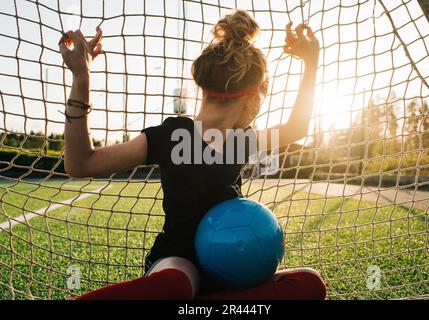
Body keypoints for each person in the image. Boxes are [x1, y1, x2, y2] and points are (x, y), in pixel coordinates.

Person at [59, 9, 326, 300]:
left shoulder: (244, 139)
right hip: (178, 262)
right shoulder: (170, 136)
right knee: (177, 283)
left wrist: (311, 64)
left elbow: (297, 127)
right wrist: (81, 78)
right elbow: (80, 164)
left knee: (309, 284)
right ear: (253, 97)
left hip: (234, 262)